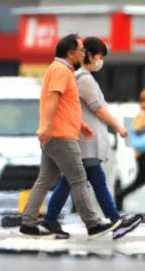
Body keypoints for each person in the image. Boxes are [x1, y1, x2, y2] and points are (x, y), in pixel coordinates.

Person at [19, 34, 127, 239]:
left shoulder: (62, 70)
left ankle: (28, 224)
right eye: (80, 50)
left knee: (45, 180)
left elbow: (65, 107)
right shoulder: (61, 71)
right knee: (78, 180)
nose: (83, 53)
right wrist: (48, 127)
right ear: (70, 53)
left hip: (58, 133)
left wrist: (81, 124)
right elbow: (53, 98)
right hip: (61, 136)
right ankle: (93, 224)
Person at [40, 37, 142, 240]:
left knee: (71, 182)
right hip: (86, 143)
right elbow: (99, 110)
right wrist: (120, 127)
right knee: (94, 181)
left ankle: (51, 219)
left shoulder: (80, 77)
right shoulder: (84, 79)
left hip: (84, 140)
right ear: (91, 55)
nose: (101, 61)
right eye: (100, 56)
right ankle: (113, 219)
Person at [116, 90, 145, 209]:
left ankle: (120, 195)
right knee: (139, 180)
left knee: (139, 180)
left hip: (140, 154)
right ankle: (119, 195)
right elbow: (134, 134)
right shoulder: (141, 114)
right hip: (142, 154)